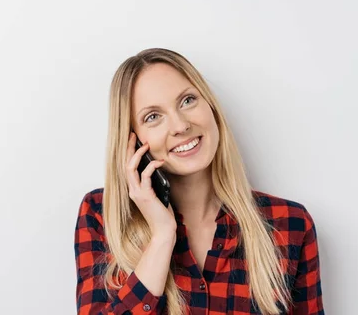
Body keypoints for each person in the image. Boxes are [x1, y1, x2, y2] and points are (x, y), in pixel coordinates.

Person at [74, 48, 324, 315]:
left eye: (187, 100)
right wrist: (162, 237)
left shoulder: (289, 224)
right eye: (153, 117)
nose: (181, 125)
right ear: (131, 140)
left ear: (211, 107)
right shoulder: (103, 216)